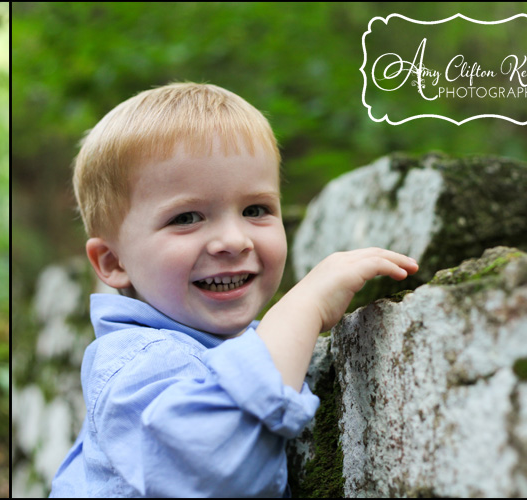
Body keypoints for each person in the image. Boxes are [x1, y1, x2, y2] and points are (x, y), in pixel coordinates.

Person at [50, 83, 418, 497]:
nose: (233, 240)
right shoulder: (140, 362)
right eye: (186, 217)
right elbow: (212, 468)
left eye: (255, 210)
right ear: (114, 262)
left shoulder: (208, 343)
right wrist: (301, 309)